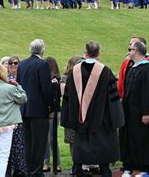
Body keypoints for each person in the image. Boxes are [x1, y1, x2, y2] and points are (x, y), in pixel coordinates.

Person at [61, 42, 123, 177]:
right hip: (102, 120)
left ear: (86, 53)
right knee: (103, 155)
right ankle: (105, 171)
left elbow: (67, 98)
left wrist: (67, 118)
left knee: (80, 150)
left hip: (79, 119)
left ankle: (77, 169)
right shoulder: (106, 72)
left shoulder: (74, 72)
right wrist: (117, 119)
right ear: (98, 53)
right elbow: (114, 99)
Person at [120, 41, 149, 176]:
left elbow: (148, 92)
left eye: (130, 49)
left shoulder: (148, 69)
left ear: (137, 51)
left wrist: (146, 112)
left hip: (142, 113)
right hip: (130, 112)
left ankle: (145, 168)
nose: (129, 52)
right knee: (130, 137)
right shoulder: (132, 68)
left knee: (143, 138)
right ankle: (129, 166)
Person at [17, 39, 51, 177]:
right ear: (42, 51)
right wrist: (50, 105)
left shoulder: (22, 64)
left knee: (28, 142)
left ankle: (30, 169)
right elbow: (46, 88)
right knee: (39, 143)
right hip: (38, 110)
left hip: (24, 109)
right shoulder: (42, 64)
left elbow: (19, 85)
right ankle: (36, 172)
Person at [5, 55, 27, 176]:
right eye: (11, 63)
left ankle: (20, 169)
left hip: (21, 113)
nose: (13, 65)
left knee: (19, 144)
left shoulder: (22, 78)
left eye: (16, 63)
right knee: (9, 143)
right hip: (9, 116)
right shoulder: (5, 79)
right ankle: (9, 167)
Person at [60, 55, 82, 172]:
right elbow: (64, 94)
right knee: (72, 140)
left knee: (79, 140)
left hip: (76, 113)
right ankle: (76, 165)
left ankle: (81, 165)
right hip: (70, 113)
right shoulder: (65, 78)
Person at [43, 57, 62, 173]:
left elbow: (57, 95)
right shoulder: (44, 79)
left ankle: (57, 163)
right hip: (45, 111)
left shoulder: (57, 80)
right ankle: (46, 163)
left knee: (52, 138)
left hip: (54, 111)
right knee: (45, 138)